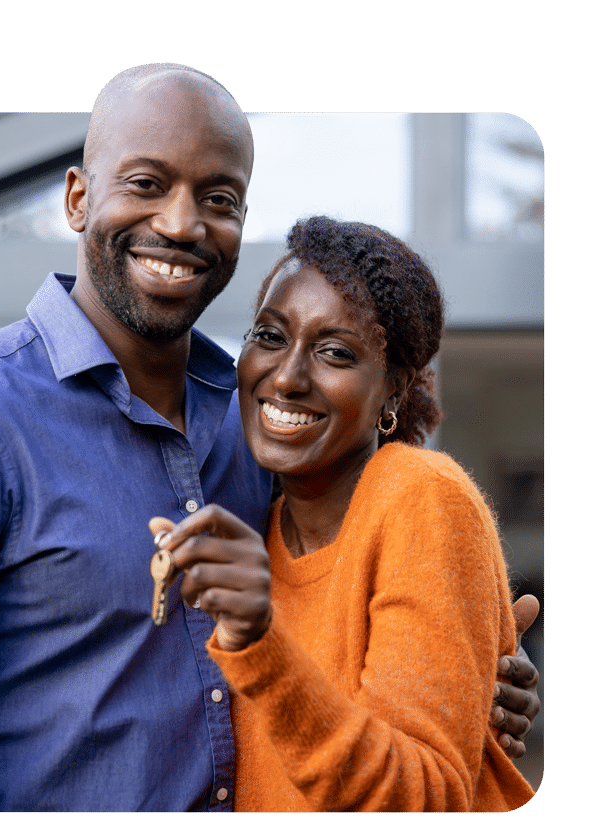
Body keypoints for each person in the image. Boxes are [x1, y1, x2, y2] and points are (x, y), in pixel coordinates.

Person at [0, 65, 538, 812]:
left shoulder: (258, 425)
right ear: (78, 198)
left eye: (218, 198)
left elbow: (342, 639)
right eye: (146, 183)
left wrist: (458, 668)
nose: (181, 223)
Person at [151, 215, 538, 812]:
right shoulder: (261, 518)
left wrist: (262, 643)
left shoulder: (420, 495)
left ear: (393, 388)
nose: (285, 376)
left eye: (334, 352)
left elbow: (421, 797)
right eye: (271, 336)